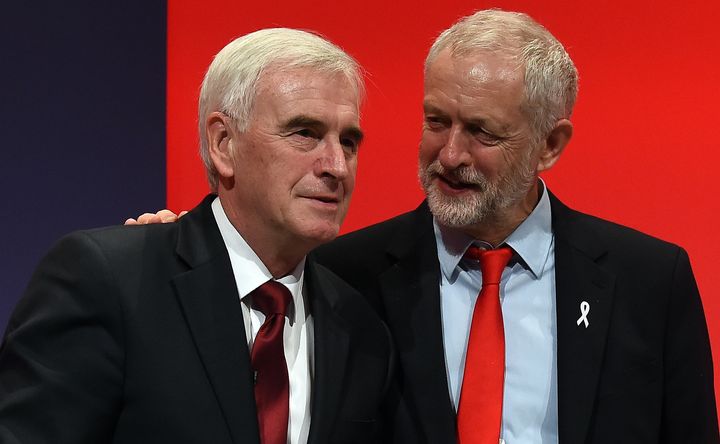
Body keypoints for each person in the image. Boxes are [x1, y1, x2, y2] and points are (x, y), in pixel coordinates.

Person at [128, 9, 720, 444]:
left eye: (483, 132)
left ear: (550, 144)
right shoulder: (343, 276)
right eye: (436, 121)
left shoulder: (649, 281)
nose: (450, 155)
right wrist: (179, 251)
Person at [0, 28, 393, 444]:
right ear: (223, 144)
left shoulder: (360, 327)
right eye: (305, 133)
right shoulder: (110, 281)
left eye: (348, 141)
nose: (337, 165)